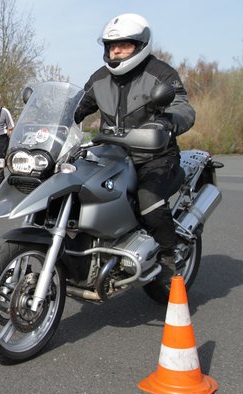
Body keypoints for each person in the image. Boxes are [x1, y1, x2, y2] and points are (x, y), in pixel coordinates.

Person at [73, 13, 196, 286]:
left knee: (148, 202)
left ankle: (169, 255)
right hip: (112, 155)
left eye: (124, 45)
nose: (115, 50)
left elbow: (182, 106)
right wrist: (54, 120)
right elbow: (77, 106)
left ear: (140, 45)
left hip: (154, 156)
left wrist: (168, 121)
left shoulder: (160, 73)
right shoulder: (99, 78)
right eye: (110, 45)